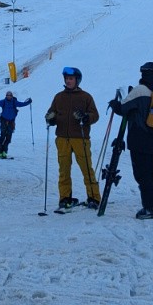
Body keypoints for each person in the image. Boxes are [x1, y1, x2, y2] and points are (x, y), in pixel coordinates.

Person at [109, 61, 153, 220]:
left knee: (142, 174)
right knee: (152, 171)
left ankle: (150, 208)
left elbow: (122, 108)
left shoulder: (140, 90)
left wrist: (114, 104)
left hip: (140, 137)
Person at [44, 66, 101, 209]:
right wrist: (51, 119)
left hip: (80, 138)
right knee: (64, 171)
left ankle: (94, 198)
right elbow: (52, 113)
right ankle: (65, 198)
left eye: (71, 79)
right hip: (62, 139)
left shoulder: (85, 97)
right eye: (67, 79)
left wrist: (86, 117)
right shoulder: (59, 97)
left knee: (87, 169)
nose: (68, 81)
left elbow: (95, 115)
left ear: (77, 80)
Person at [0, 90, 32, 158]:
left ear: (12, 96)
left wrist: (28, 102)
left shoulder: (14, 102)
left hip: (11, 122)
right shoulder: (3, 102)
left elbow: (22, 104)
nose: (8, 97)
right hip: (4, 121)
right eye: (7, 95)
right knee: (2, 136)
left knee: (8, 138)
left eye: (10, 96)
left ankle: (4, 152)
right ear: (6, 96)